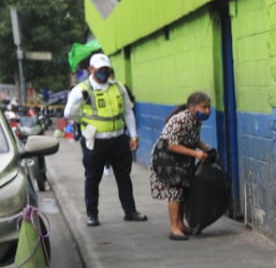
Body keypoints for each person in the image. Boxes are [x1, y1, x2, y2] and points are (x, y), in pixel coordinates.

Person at [65, 52, 147, 226]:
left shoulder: (119, 87)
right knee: (93, 178)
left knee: (124, 177)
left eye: (107, 69)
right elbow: (69, 114)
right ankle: (92, 215)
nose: (104, 72)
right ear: (91, 69)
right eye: (100, 69)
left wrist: (133, 135)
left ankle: (130, 211)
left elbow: (128, 112)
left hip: (118, 140)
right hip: (95, 141)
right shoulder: (82, 90)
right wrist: (81, 111)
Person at [149, 91, 216, 241]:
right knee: (174, 191)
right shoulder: (180, 120)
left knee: (182, 191)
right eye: (204, 107)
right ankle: (174, 228)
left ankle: (180, 224)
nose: (207, 111)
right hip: (167, 158)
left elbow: (193, 139)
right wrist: (196, 154)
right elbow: (172, 145)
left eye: (209, 107)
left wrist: (206, 148)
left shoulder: (195, 120)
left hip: (181, 158)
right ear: (192, 107)